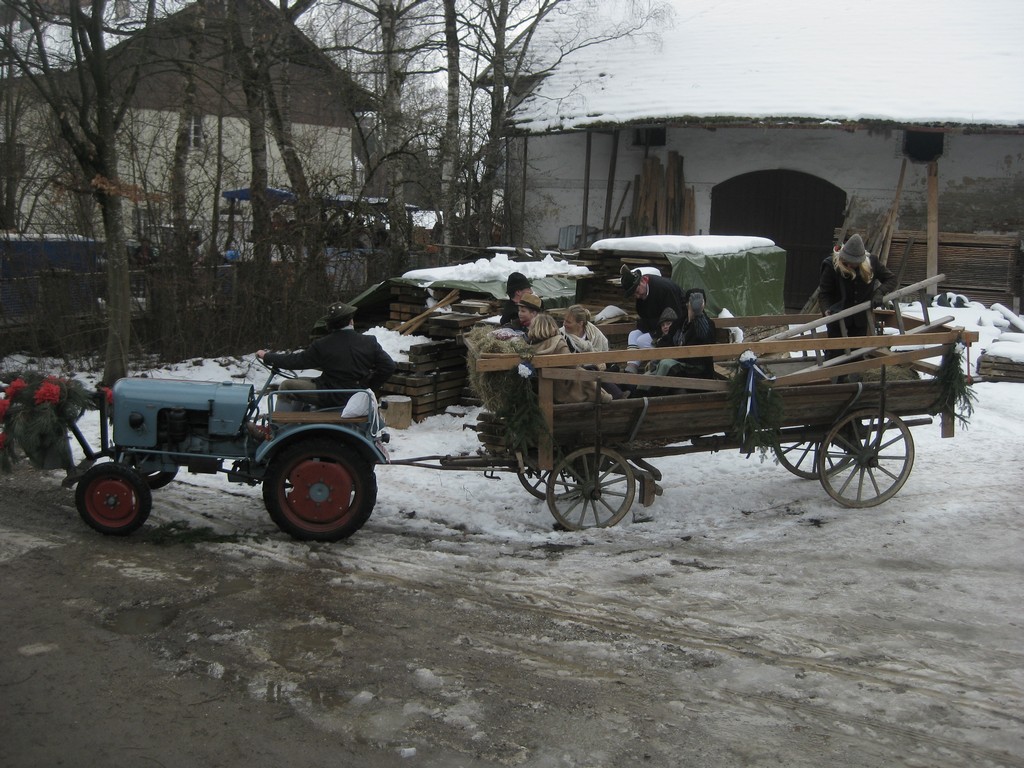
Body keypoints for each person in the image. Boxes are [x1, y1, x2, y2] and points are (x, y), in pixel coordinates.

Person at [256, 301, 396, 415]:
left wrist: (267, 356)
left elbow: (294, 361)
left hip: (332, 395)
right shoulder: (369, 342)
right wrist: (368, 386)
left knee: (286, 386)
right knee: (299, 381)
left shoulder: (323, 345)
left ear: (330, 325)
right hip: (356, 393)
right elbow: (389, 366)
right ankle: (294, 421)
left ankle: (278, 428)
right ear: (351, 321)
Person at [819, 233, 898, 359]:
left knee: (857, 355)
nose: (850, 265)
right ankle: (835, 378)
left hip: (860, 319)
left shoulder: (872, 262)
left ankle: (855, 377)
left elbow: (891, 279)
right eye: (847, 262)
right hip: (837, 318)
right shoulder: (830, 265)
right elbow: (824, 293)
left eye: (854, 263)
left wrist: (879, 292)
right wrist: (827, 310)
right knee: (835, 355)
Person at [527, 313, 612, 405]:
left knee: (590, 371)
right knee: (590, 372)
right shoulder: (558, 343)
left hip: (544, 388)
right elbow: (571, 365)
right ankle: (606, 396)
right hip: (565, 388)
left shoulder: (531, 347)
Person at [619, 265, 687, 373]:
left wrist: (655, 330)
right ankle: (632, 367)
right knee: (633, 334)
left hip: (675, 328)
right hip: (657, 325)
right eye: (634, 294)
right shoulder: (642, 294)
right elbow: (644, 317)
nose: (637, 296)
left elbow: (676, 317)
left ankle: (657, 363)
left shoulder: (665, 289)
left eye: (637, 291)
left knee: (642, 341)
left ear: (644, 280)